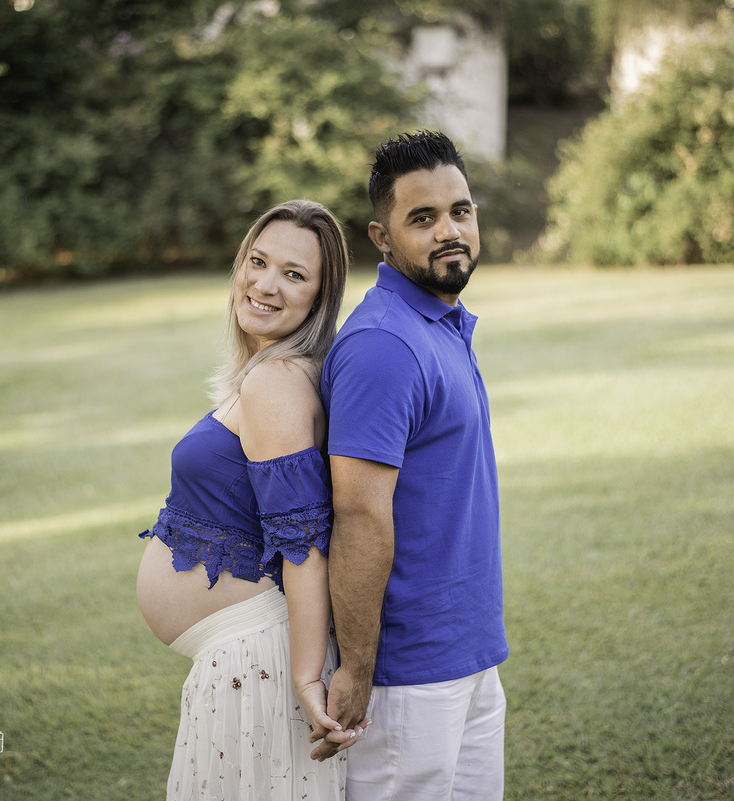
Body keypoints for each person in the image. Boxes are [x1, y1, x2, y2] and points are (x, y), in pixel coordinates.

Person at [136, 199, 363, 800]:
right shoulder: (273, 373)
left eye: (294, 274)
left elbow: (304, 545)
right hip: (242, 659)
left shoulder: (276, 382)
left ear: (319, 298)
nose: (265, 285)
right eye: (257, 262)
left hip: (258, 665)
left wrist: (306, 677)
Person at [314, 131, 509, 799]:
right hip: (407, 676)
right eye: (422, 218)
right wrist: (358, 669)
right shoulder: (384, 345)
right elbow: (358, 515)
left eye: (460, 211)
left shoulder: (439, 322)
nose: (449, 230)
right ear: (383, 237)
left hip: (470, 650)